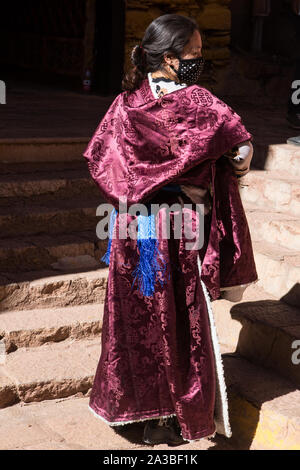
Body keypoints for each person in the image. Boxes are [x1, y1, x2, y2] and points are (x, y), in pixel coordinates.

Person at [83, 14, 258, 446]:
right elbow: (242, 148)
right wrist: (224, 166)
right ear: (169, 57)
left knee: (134, 318)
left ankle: (134, 411)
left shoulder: (124, 105)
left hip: (131, 231)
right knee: (179, 316)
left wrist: (140, 183)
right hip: (177, 232)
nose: (199, 61)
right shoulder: (199, 104)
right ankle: (177, 416)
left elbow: (99, 160)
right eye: (194, 54)